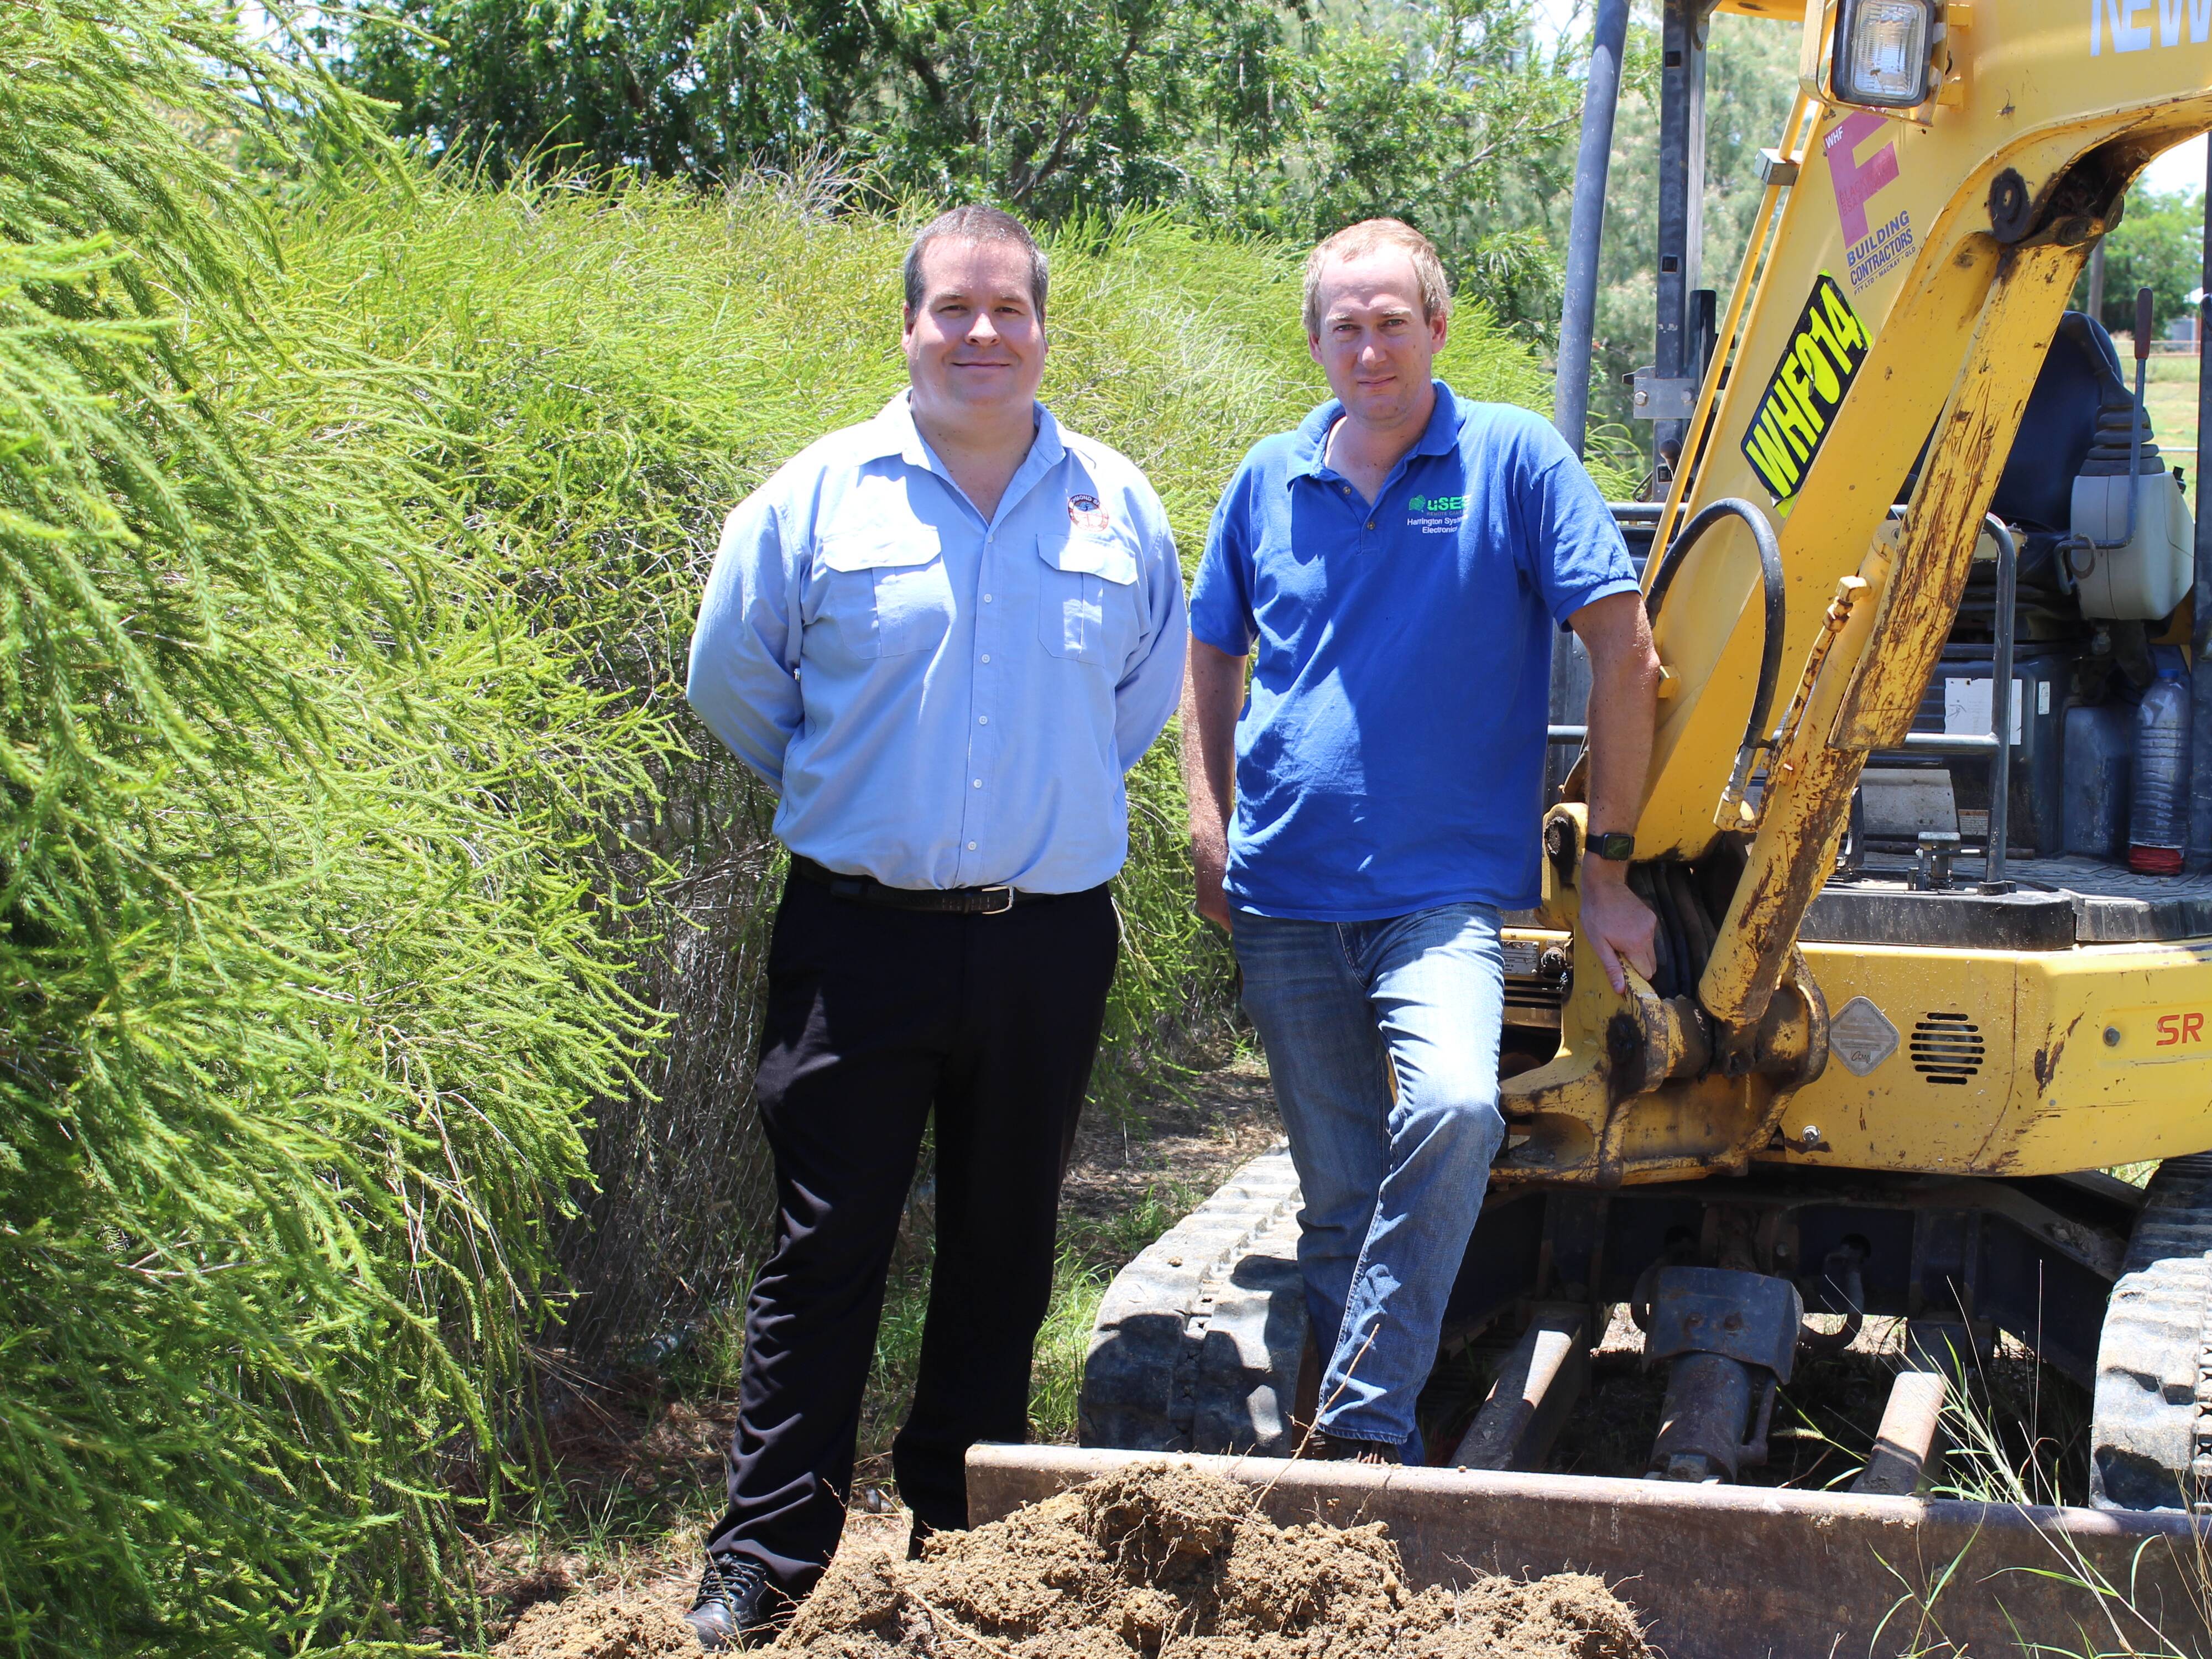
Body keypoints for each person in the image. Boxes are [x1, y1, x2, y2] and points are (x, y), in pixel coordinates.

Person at [681, 204, 1187, 1648]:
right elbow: (734, 679)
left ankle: (964, 1543)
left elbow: (1138, 700)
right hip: (861, 943)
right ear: (906, 328)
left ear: (1043, 330)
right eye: (951, 311)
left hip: (1045, 941)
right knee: (825, 1244)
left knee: (1004, 1243)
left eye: (1006, 311)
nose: (981, 335)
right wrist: (851, 790)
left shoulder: (1118, 504)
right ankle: (766, 1561)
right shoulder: (817, 499)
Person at [1181, 218, 1659, 1463]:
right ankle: (1361, 1476)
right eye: (1344, 323)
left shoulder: (1508, 459)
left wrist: (1605, 872)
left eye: (1392, 319)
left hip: (1443, 895)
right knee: (1338, 1202)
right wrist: (1205, 816)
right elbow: (1211, 652)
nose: (1369, 345)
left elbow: (1624, 652)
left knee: (1452, 1107)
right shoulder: (1267, 477)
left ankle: (1351, 1427)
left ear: (1434, 327)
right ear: (1315, 339)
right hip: (1283, 893)